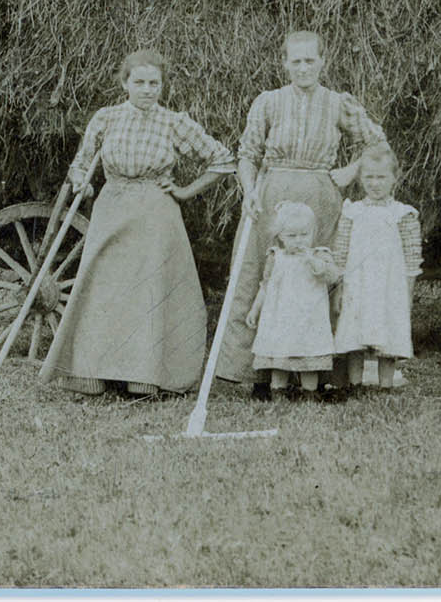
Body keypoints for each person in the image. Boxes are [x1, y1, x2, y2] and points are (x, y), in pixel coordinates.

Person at [40, 48, 237, 397]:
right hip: (112, 208)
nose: (147, 89)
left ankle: (142, 378)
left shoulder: (174, 122)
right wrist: (81, 183)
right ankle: (93, 374)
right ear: (125, 83)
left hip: (155, 215)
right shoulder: (106, 118)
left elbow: (222, 160)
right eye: (140, 82)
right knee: (105, 290)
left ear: (162, 86)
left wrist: (185, 191)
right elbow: (81, 164)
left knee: (147, 293)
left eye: (154, 83)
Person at [214, 30, 389, 393]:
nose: (304, 67)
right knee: (261, 275)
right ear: (285, 63)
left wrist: (350, 170)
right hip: (271, 196)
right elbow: (248, 154)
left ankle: (318, 373)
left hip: (320, 199)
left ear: (323, 61)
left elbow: (376, 140)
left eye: (311, 60)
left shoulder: (338, 103)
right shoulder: (268, 101)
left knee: (316, 278)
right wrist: (249, 191)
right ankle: (256, 373)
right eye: (296, 60)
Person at [332, 143, 422, 389]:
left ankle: (386, 384)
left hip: (389, 285)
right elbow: (340, 255)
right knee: (354, 331)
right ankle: (355, 384)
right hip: (357, 283)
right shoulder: (352, 212)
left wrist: (408, 292)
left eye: (381, 177)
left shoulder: (403, 214)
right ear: (360, 179)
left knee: (388, 333)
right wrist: (339, 288)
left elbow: (413, 259)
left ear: (394, 178)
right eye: (369, 177)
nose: (375, 183)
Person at [247, 202, 341, 395]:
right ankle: (278, 391)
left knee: (309, 358)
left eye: (304, 235)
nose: (299, 241)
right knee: (279, 356)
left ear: (313, 233)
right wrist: (255, 310)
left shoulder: (319, 254)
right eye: (292, 236)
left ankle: (310, 394)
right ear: (280, 236)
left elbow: (333, 276)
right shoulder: (276, 257)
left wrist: (313, 262)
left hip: (309, 318)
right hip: (280, 318)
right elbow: (265, 286)